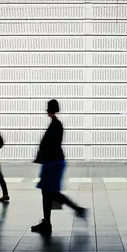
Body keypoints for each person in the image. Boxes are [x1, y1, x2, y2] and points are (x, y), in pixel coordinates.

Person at [31, 99, 86, 235]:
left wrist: (42, 155)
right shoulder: (55, 124)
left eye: (48, 107)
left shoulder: (56, 125)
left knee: (50, 192)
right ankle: (47, 222)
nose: (46, 110)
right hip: (52, 162)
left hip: (53, 163)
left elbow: (51, 145)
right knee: (48, 192)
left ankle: (75, 210)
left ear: (51, 109)